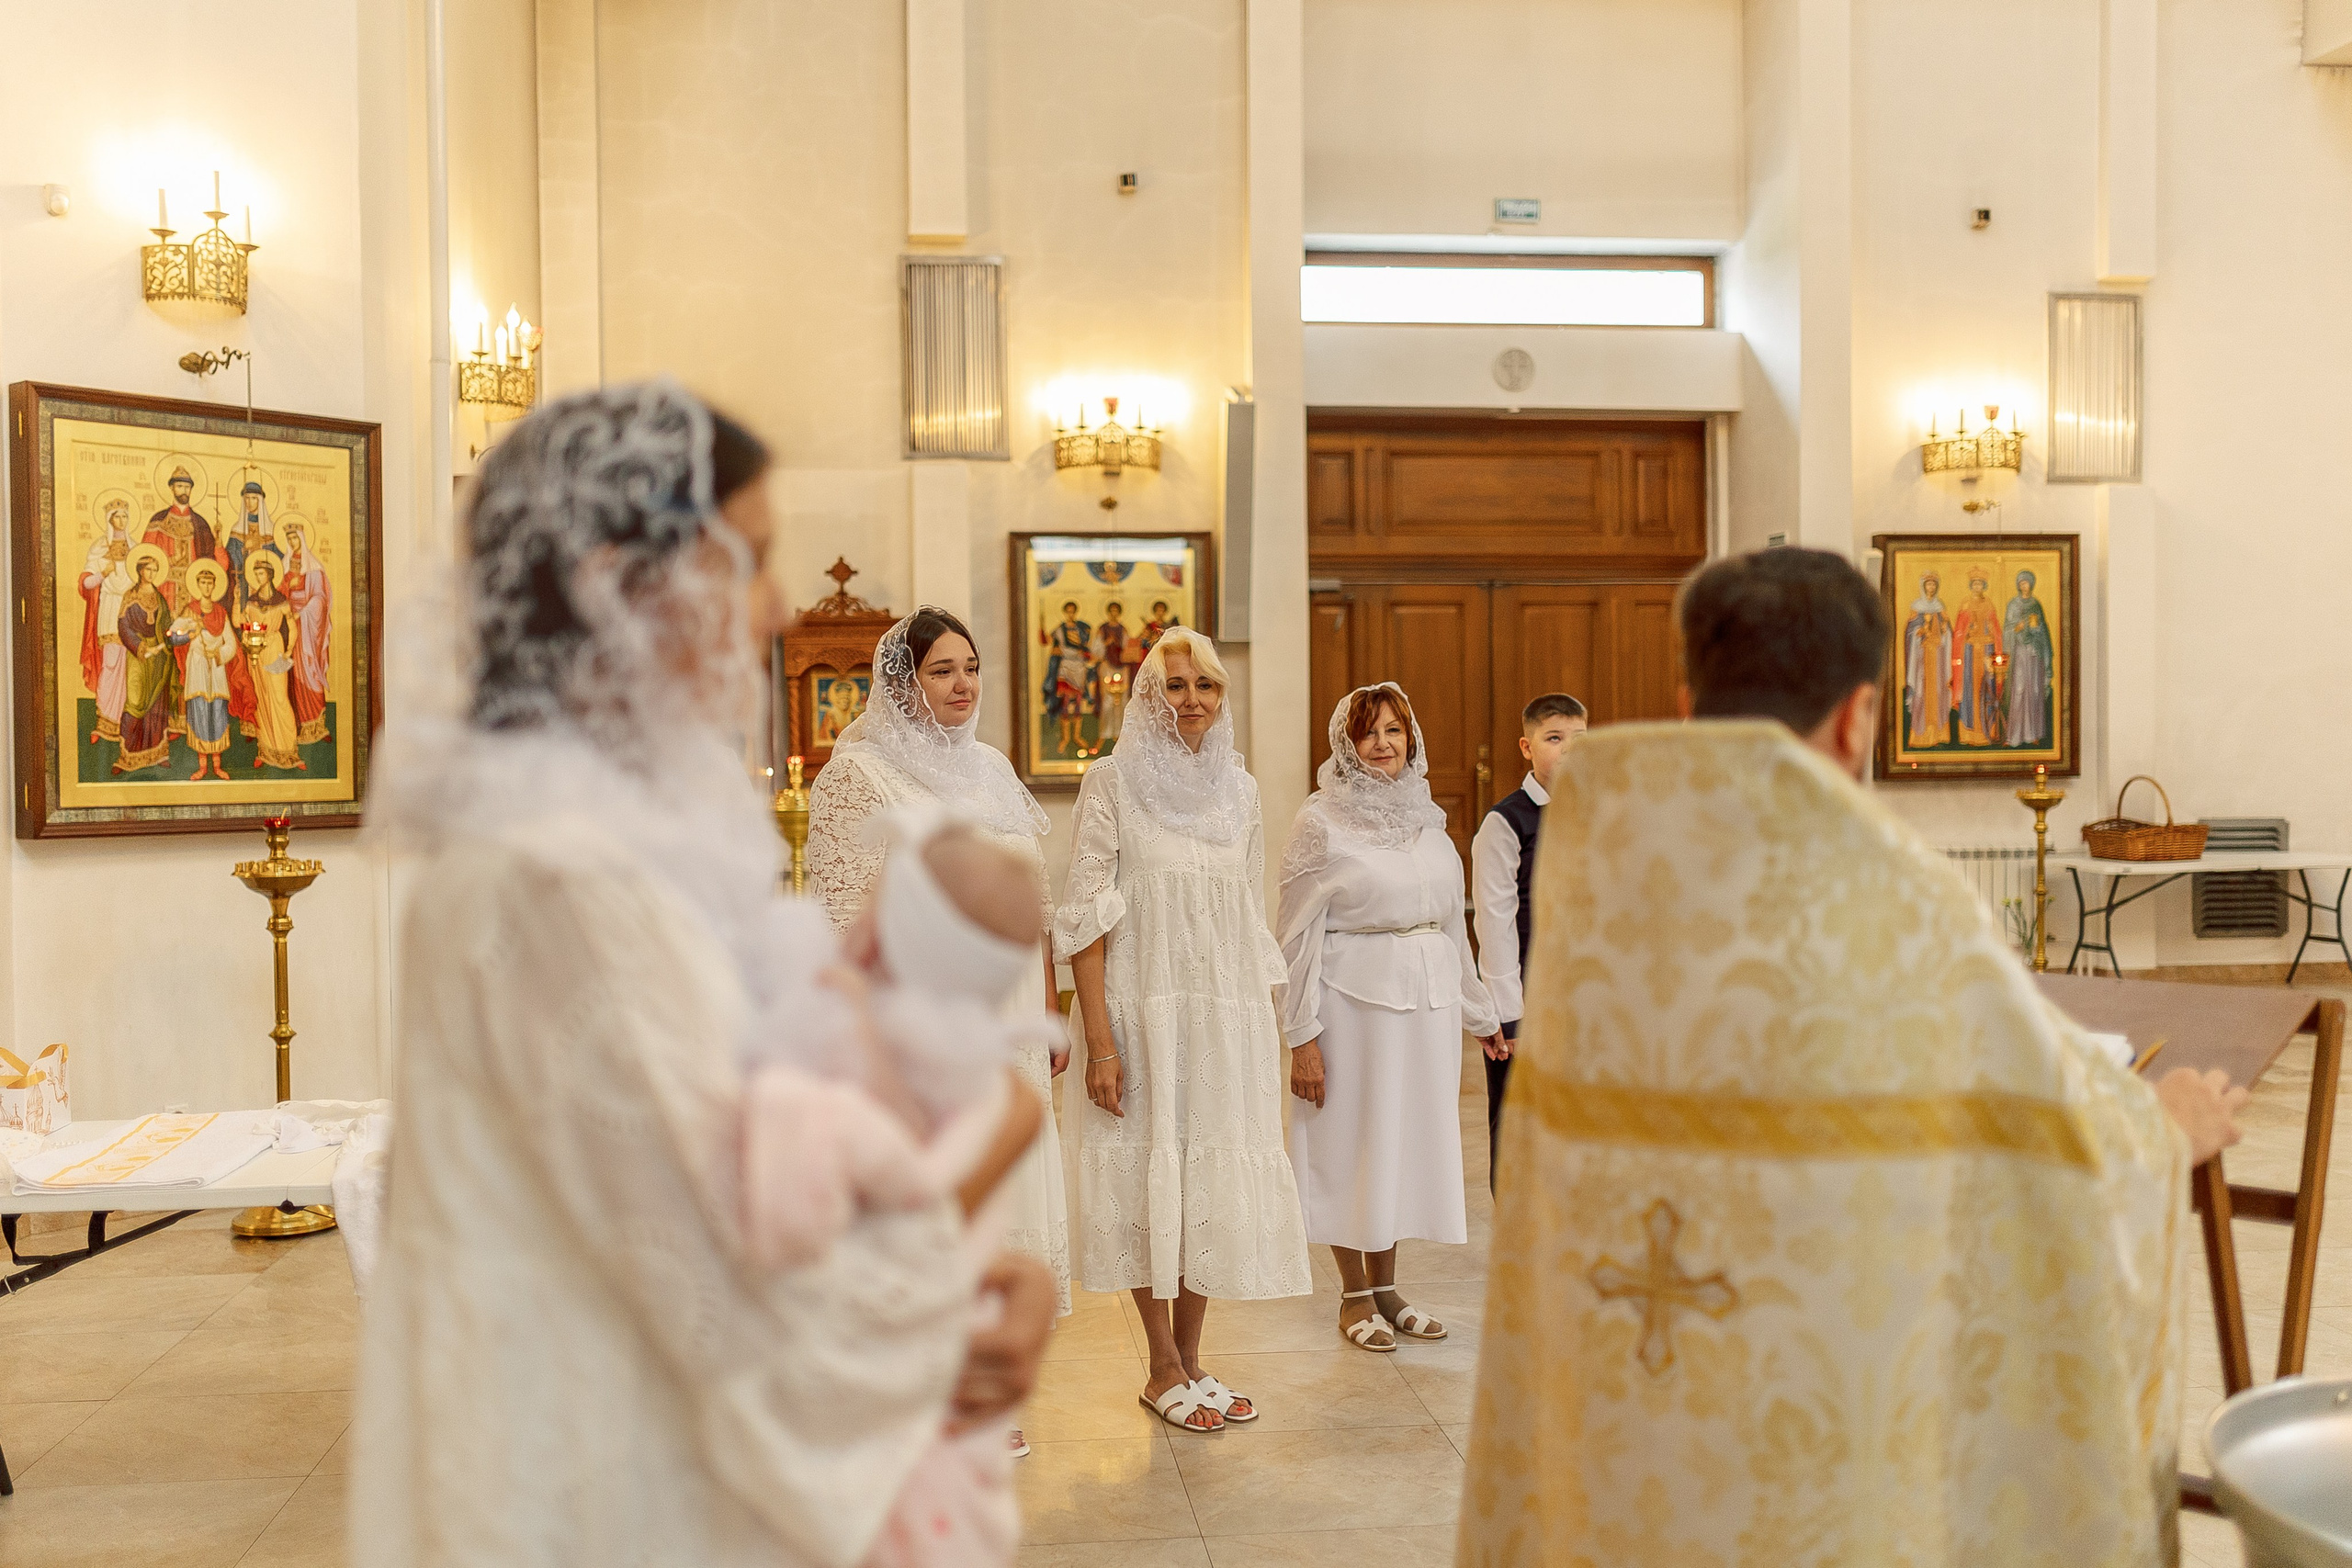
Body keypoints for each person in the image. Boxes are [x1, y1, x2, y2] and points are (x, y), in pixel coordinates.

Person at [355, 380, 1055, 1568]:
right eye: (750, 560)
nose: (777, 608)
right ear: (619, 583)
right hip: (604, 1486)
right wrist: (958, 1265)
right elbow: (718, 1279)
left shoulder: (631, 831)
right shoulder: (550, 876)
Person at [1457, 546, 2247, 1567]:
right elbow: (2051, 1127)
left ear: (1687, 704)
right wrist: (2161, 1130)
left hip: (1624, 1433)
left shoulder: (1600, 887)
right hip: (1807, 1458)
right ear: (1858, 717)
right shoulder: (1909, 909)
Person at [807, 603, 1070, 1459]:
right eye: (942, 670)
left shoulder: (990, 766)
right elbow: (842, 915)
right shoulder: (860, 775)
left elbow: (1036, 905)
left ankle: (976, 1376)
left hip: (1009, 1011)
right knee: (937, 1186)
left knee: (995, 1189)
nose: (963, 685)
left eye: (971, 666)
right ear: (903, 684)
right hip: (924, 1020)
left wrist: (1050, 1006)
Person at [1057, 626, 1310, 1433]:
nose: (1192, 699)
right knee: (1146, 1172)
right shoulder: (1112, 781)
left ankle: (1193, 1359)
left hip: (1222, 1015)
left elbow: (1246, 909)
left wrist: (1270, 1030)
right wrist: (1101, 1043)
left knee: (1207, 1177)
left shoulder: (1242, 790)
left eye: (1206, 685)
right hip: (1140, 1012)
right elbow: (1084, 919)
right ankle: (1160, 1362)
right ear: (1148, 694)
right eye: (1175, 685)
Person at [1277, 683, 1501, 1353]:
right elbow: (1293, 937)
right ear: (1347, 744)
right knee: (1352, 1143)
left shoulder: (1428, 821)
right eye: (1368, 732)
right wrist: (1301, 1035)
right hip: (1351, 1007)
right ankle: (1354, 1294)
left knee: (1398, 1146)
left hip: (1425, 1012)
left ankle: (1389, 1289)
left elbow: (1452, 928)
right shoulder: (1321, 822)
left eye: (1394, 730)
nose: (1383, 743)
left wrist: (1480, 1013)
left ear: (1412, 740)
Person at [1469, 692, 1586, 1192]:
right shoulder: (1507, 822)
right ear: (1526, 747)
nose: (1568, 750)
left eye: (1579, 739)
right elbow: (1494, 922)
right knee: (1520, 1124)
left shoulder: (1599, 812)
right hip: (1527, 997)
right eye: (1554, 738)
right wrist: (1508, 1014)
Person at [169, 559, 237, 780]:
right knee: (199, 712)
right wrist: (190, 634)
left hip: (216, 668)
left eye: (210, 583)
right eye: (203, 583)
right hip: (197, 666)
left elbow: (231, 643)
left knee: (217, 713)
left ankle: (217, 765)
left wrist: (218, 654)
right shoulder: (191, 611)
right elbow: (172, 636)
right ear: (197, 585)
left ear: (214, 585)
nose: (207, 587)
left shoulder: (221, 612)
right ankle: (202, 767)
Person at [113, 545, 177, 773]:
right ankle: (128, 756)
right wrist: (140, 647)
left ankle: (157, 754)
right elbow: (124, 627)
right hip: (139, 656)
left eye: (155, 569)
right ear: (140, 570)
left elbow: (166, 626)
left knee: (157, 704)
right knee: (136, 702)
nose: (152, 573)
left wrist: (176, 632)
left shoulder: (159, 598)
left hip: (158, 656)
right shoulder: (130, 596)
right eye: (148, 569)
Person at [78, 498, 136, 745]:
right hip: (110, 609)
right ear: (109, 520)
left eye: (125, 516)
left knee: (129, 667)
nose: (121, 520)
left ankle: (126, 723)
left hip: (131, 613)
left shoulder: (135, 548)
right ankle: (105, 722)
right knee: (110, 663)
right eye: (117, 516)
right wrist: (103, 573)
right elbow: (86, 583)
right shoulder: (100, 547)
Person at [241, 557, 304, 771]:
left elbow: (292, 627)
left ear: (269, 575)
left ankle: (289, 750)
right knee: (261, 698)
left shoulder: (281, 600)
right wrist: (246, 639)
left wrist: (288, 650)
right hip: (256, 652)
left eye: (261, 573)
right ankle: (265, 750)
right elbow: (246, 625)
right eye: (256, 574)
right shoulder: (251, 601)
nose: (258, 577)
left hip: (275, 649)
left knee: (279, 697)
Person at [280, 521, 333, 746]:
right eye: (289, 539)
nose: (292, 542)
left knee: (309, 671)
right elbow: (278, 593)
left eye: (295, 538)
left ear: (302, 538)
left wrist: (302, 613)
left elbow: (320, 598)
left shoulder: (313, 567)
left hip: (306, 627)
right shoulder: (284, 565)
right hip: (288, 625)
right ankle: (297, 724)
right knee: (291, 675)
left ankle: (316, 723)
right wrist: (287, 585)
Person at [2003, 569, 2053, 748]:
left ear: (2031, 584)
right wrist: (2017, 628)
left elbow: (2043, 632)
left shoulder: (2036, 605)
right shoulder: (2013, 605)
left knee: (2034, 691)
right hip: (2019, 653)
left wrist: (2036, 627)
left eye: (2027, 582)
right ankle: (2014, 736)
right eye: (2021, 583)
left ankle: (2033, 734)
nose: (2024, 586)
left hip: (2034, 654)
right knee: (2019, 690)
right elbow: (2007, 630)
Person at [1903, 572, 1952, 748]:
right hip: (1922, 658)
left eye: (1933, 585)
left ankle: (1939, 734)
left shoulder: (1940, 607)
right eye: (1928, 584)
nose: (1931, 587)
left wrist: (1945, 632)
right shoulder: (1917, 607)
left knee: (1938, 692)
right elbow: (1910, 633)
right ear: (1923, 587)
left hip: (1937, 658)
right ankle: (1921, 737)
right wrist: (1920, 631)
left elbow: (1948, 632)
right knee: (1922, 693)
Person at [1040, 601, 1094, 757]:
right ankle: (1065, 738)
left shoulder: (1082, 629)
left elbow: (1086, 647)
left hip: (1079, 668)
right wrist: (1041, 625)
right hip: (1065, 667)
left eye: (1072, 611)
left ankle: (1077, 737)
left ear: (1075, 612)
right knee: (1064, 702)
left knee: (1078, 703)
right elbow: (1046, 641)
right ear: (1065, 612)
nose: (1070, 614)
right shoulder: (1060, 629)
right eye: (1068, 611)